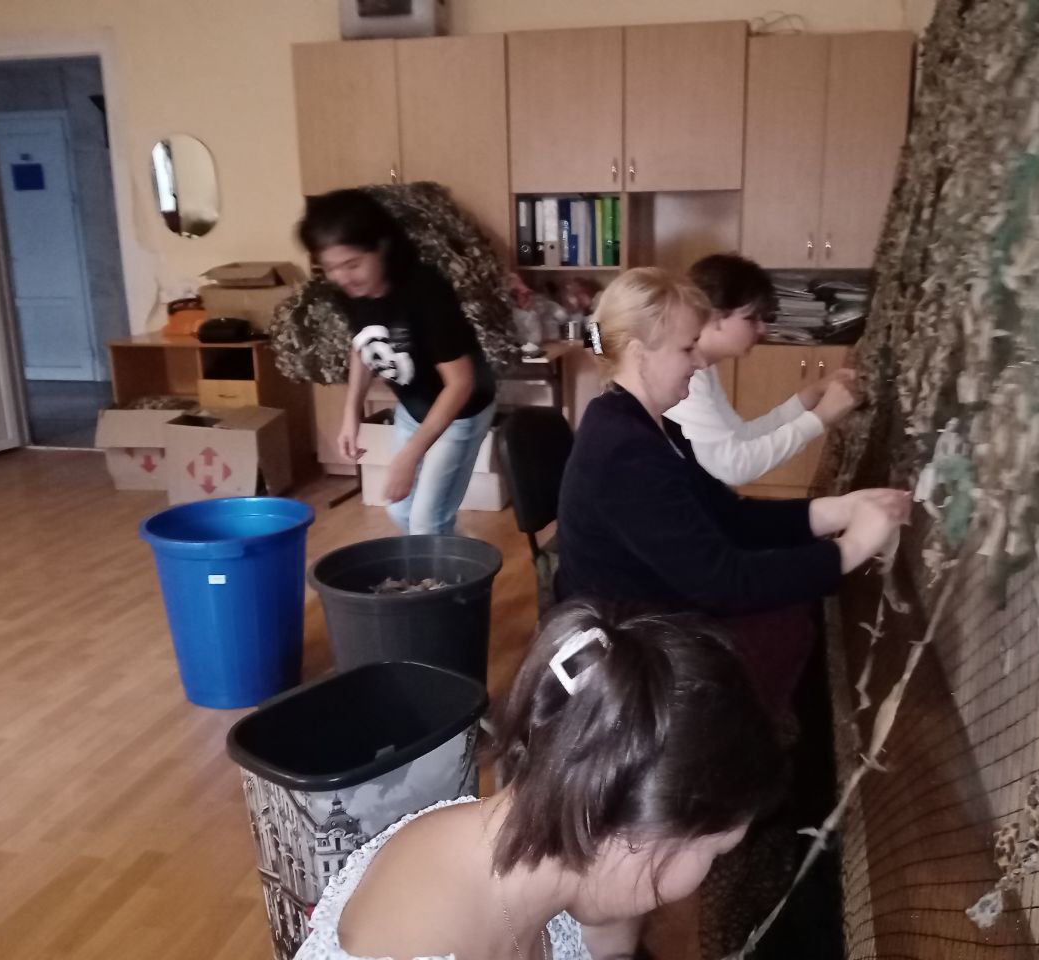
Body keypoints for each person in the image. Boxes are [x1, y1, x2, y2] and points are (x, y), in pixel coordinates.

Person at [296, 600, 787, 960]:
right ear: (640, 830)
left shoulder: (527, 840)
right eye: (715, 853)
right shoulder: (413, 940)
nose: (699, 881)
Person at [555, 268, 908, 710]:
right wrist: (850, 549)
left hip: (650, 612)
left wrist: (838, 511)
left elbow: (729, 516)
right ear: (640, 353)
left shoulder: (651, 427)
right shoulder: (623, 451)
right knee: (787, 626)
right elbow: (722, 583)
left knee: (792, 611)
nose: (701, 362)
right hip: (628, 646)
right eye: (687, 349)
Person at [299, 189, 497, 535]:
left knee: (427, 522)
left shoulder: (424, 291)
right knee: (401, 512)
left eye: (353, 264)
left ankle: (452, 566)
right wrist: (351, 413)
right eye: (330, 267)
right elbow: (363, 342)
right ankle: (459, 558)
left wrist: (409, 457)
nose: (342, 278)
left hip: (460, 411)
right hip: (413, 408)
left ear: (382, 246)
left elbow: (460, 384)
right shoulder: (350, 292)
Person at [665, 253, 859, 486]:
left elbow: (742, 437)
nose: (762, 329)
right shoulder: (685, 376)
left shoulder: (703, 370)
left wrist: (811, 396)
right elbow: (733, 467)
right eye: (751, 319)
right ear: (715, 316)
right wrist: (821, 417)